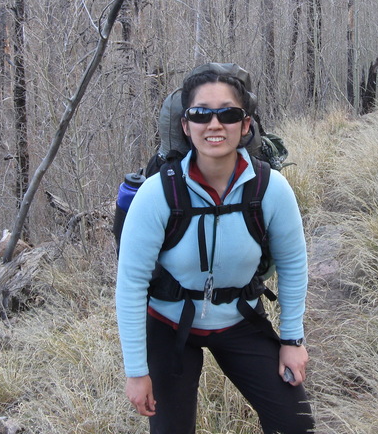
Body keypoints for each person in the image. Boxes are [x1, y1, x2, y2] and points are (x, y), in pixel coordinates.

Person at [115, 67, 314, 434]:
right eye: (201, 114)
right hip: (168, 323)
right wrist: (136, 372)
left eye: (228, 113)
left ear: (245, 124)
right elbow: (130, 283)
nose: (214, 124)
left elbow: (293, 264)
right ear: (185, 125)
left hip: (241, 318)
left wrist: (292, 340)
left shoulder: (270, 189)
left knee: (296, 425)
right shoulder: (158, 194)